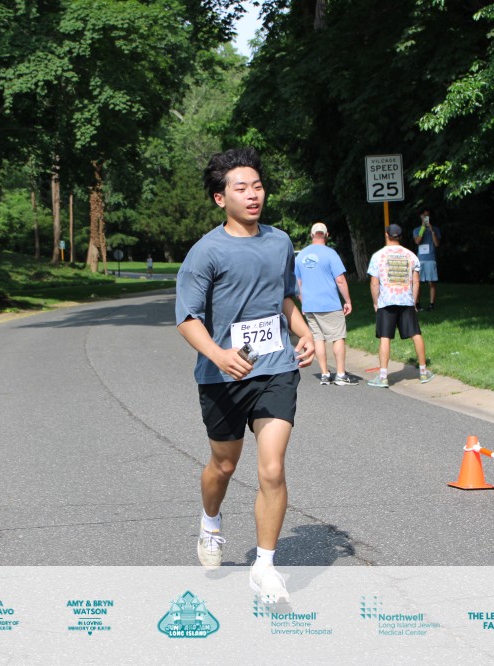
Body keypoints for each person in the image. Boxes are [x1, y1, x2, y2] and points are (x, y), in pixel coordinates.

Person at [175, 147, 314, 604]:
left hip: (276, 367)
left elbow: (284, 298)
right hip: (222, 377)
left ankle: (265, 567)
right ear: (221, 198)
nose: (253, 195)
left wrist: (304, 332)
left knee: (272, 466)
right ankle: (210, 521)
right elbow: (187, 319)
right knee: (225, 465)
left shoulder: (280, 242)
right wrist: (218, 354)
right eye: (241, 188)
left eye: (257, 186)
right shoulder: (205, 253)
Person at [366, 224, 434, 387]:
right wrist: (414, 302)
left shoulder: (378, 256)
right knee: (415, 334)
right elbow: (416, 282)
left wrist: (376, 302)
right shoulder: (411, 256)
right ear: (401, 237)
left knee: (385, 337)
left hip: (386, 301)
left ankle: (383, 376)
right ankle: (423, 372)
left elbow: (374, 283)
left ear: (386, 235)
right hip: (406, 301)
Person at [294, 222, 357, 386]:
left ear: (311, 235)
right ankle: (341, 374)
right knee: (338, 337)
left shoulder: (300, 256)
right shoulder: (330, 254)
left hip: (310, 305)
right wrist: (348, 301)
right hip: (329, 303)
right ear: (327, 235)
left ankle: (324, 373)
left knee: (318, 338)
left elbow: (298, 283)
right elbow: (340, 280)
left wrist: (303, 302)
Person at [412, 210, 441, 310]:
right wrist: (423, 228)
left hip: (431, 259)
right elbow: (418, 241)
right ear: (421, 217)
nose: (426, 218)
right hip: (420, 260)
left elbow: (437, 244)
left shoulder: (435, 229)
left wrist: (432, 231)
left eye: (427, 216)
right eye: (424, 216)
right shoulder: (417, 230)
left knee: (432, 283)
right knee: (418, 283)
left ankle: (431, 305)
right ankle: (417, 304)